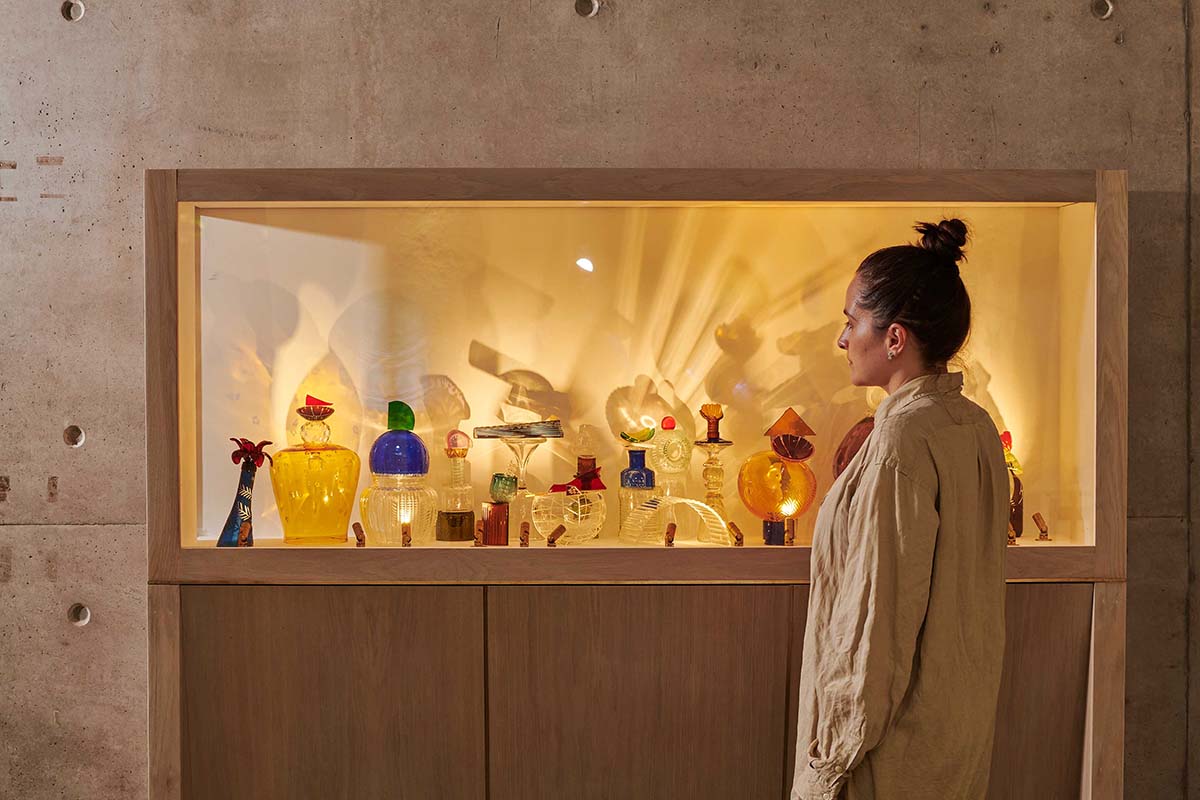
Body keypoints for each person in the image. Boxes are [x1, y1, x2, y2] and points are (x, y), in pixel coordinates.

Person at [790, 219, 1010, 800]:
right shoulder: (975, 426)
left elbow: (874, 625)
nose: (841, 340)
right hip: (955, 739)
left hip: (886, 756)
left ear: (893, 338)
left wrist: (826, 767)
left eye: (850, 322)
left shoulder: (899, 442)